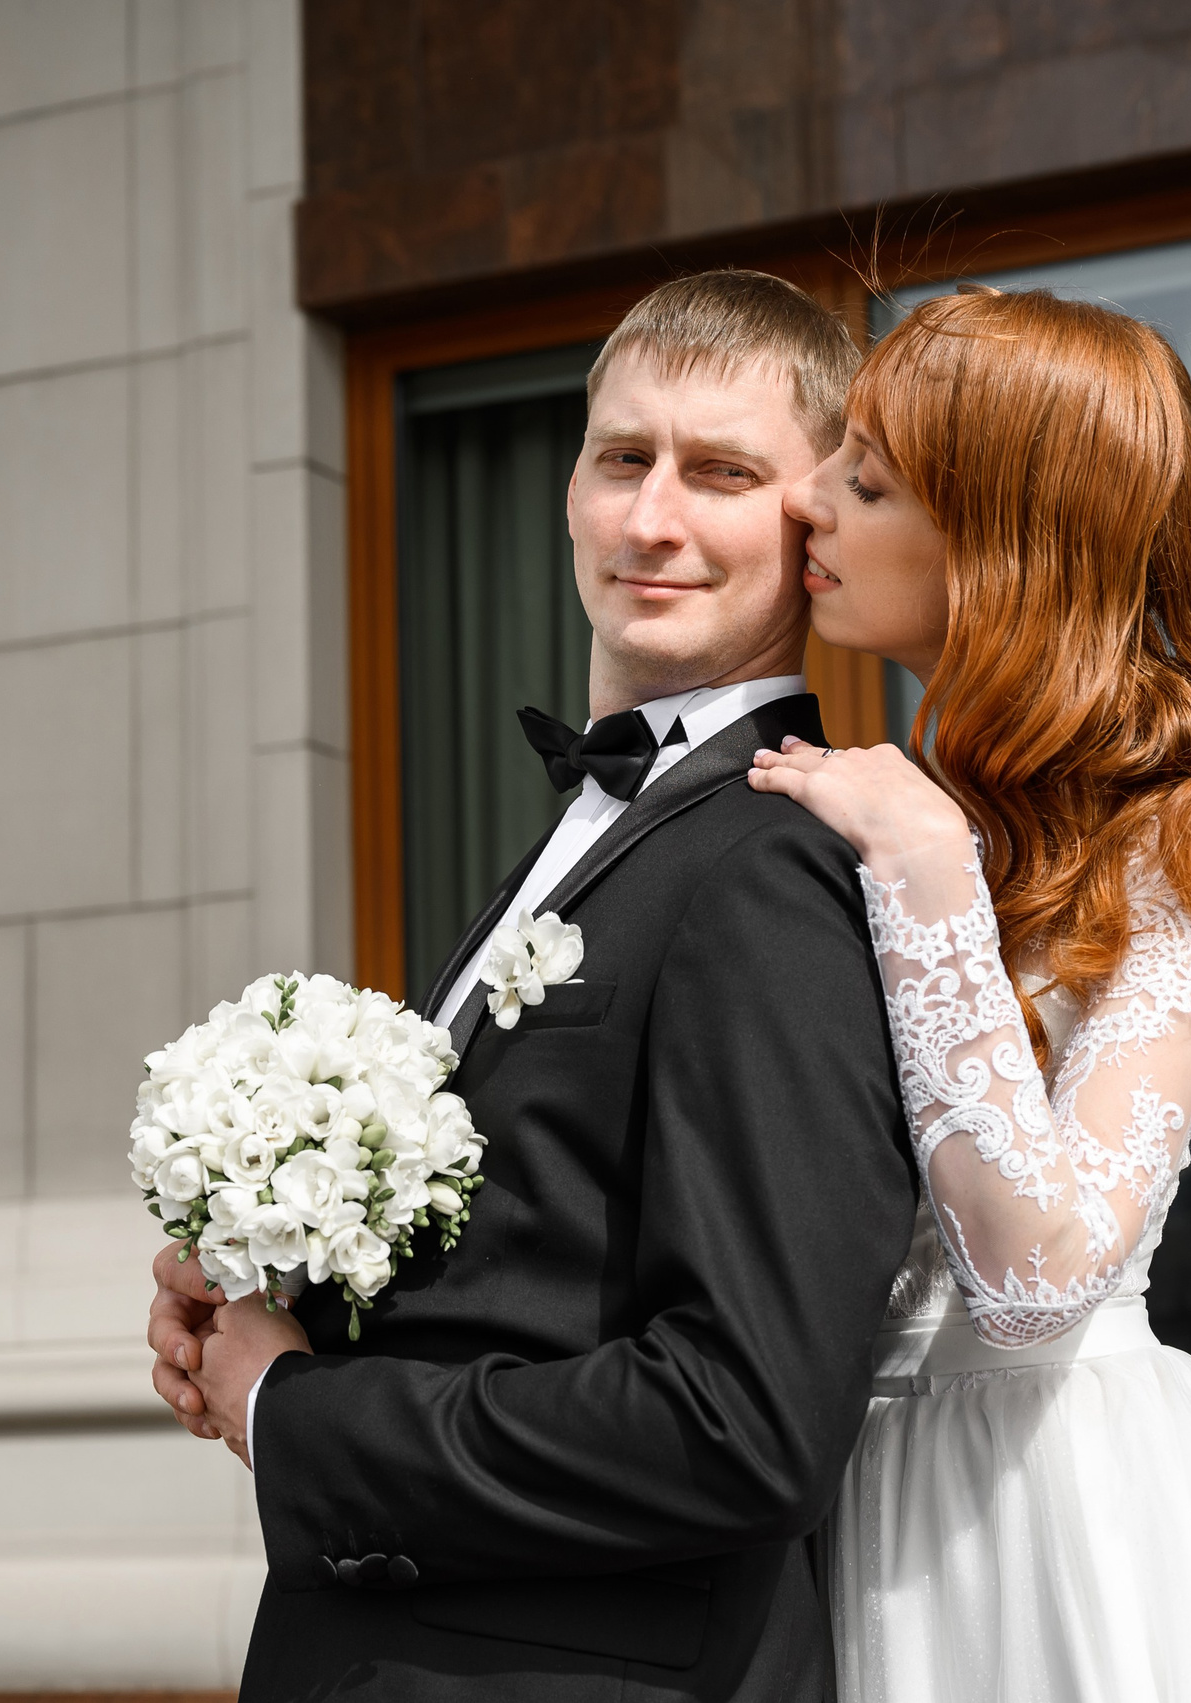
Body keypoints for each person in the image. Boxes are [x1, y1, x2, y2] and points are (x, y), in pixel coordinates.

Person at [144, 270, 918, 1703]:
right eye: (623, 458)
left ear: (813, 525)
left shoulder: (774, 869)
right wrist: (280, 1276)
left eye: (723, 473)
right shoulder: (601, 835)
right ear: (569, 488)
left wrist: (299, 1415)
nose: (651, 520)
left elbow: (742, 1422)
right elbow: (534, 1276)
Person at [750, 285, 1191, 1702]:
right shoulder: (866, 810)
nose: (808, 498)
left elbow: (1040, 1288)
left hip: (1055, 1518)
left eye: (866, 481)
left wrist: (924, 870)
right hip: (830, 1503)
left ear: (1006, 546)